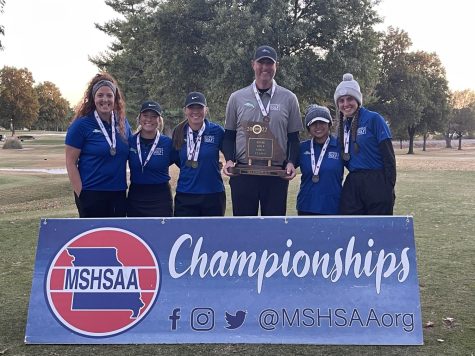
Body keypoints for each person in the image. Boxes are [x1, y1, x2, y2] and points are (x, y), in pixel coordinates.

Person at [222, 45, 303, 216]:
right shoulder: (237, 98)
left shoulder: (289, 98)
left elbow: (294, 138)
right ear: (253, 64)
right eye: (261, 63)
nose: (265, 67)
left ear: (276, 66)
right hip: (243, 173)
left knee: (273, 230)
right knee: (243, 228)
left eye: (269, 63)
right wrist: (229, 159)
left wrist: (291, 163)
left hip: (276, 175)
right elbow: (229, 136)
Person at [65, 73, 131, 218]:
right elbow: (70, 162)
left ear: (115, 99)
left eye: (109, 95)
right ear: (93, 98)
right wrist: (81, 193)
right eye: (100, 95)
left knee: (116, 238)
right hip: (91, 193)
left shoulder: (122, 123)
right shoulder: (81, 125)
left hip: (118, 193)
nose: (105, 99)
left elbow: (132, 151)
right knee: (94, 240)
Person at [334, 73, 396, 215]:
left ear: (358, 100)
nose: (345, 104)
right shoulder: (343, 127)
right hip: (354, 182)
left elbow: (388, 156)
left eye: (349, 99)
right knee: (351, 229)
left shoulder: (374, 119)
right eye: (341, 100)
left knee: (377, 231)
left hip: (377, 181)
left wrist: (388, 186)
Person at [171, 92, 226, 217]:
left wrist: (214, 164)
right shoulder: (178, 131)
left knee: (213, 235)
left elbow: (230, 154)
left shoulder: (217, 131)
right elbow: (176, 158)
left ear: (206, 110)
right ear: (185, 110)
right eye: (191, 108)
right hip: (186, 194)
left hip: (213, 194)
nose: (195, 111)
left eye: (199, 108)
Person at [127, 101, 173, 217]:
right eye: (145, 115)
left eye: (154, 116)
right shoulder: (130, 141)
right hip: (136, 196)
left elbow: (184, 162)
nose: (149, 119)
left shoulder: (167, 143)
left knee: (162, 234)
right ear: (139, 118)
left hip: (161, 198)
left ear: (159, 120)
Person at [296, 105, 344, 215]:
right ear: (308, 127)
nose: (318, 126)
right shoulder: (302, 148)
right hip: (306, 206)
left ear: (329, 124)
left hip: (333, 206)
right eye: (313, 123)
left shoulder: (340, 146)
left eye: (322, 122)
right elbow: (285, 167)